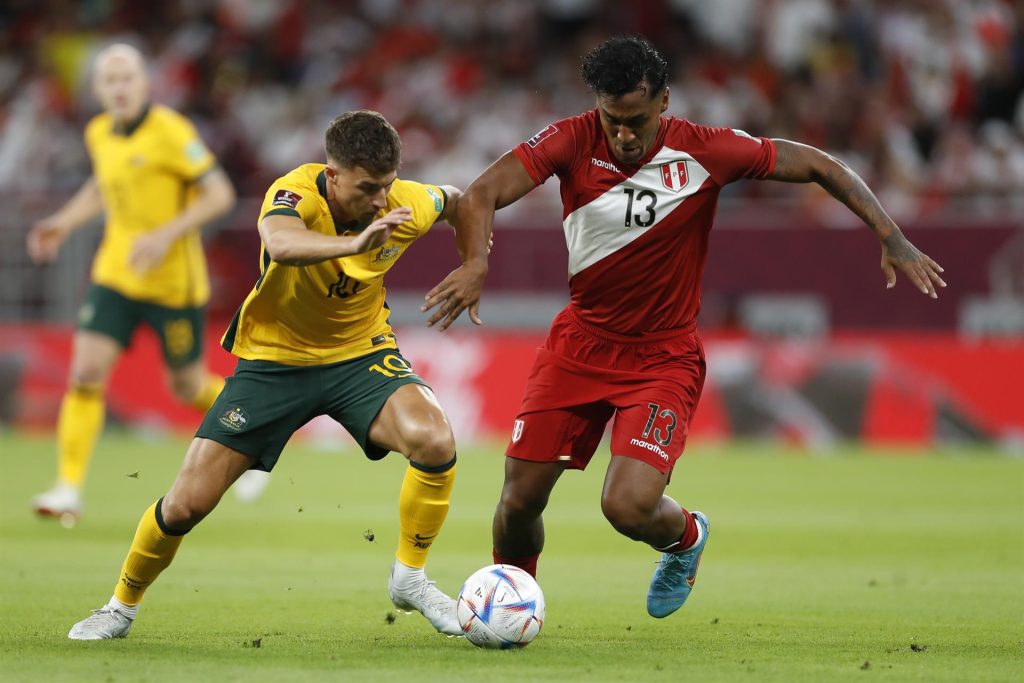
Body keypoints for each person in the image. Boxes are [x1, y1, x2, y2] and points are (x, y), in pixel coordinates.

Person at [424, 35, 946, 619]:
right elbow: (482, 193)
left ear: (665, 100)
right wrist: (475, 264)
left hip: (661, 358)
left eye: (636, 121)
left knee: (626, 507)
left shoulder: (708, 151)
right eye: (612, 120)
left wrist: (891, 236)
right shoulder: (572, 139)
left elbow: (821, 165)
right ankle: (511, 605)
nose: (622, 135)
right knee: (518, 501)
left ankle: (687, 539)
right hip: (578, 344)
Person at [67, 110, 466, 640]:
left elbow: (462, 199)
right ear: (332, 175)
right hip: (273, 363)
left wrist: (474, 264)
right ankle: (119, 606)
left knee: (434, 440)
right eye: (368, 188)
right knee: (186, 504)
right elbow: (281, 244)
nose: (379, 201)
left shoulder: (406, 202)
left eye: (387, 187)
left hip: (359, 355)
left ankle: (410, 579)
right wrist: (355, 244)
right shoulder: (294, 192)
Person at [26, 44, 237, 522]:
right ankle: (67, 489)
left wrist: (166, 235)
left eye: (127, 78)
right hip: (116, 274)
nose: (119, 88)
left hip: (173, 284)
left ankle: (252, 421)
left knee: (185, 387)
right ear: (98, 89)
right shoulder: (98, 132)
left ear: (145, 83)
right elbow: (104, 185)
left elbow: (220, 193)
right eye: (110, 80)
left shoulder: (172, 131)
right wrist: (61, 223)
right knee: (84, 373)